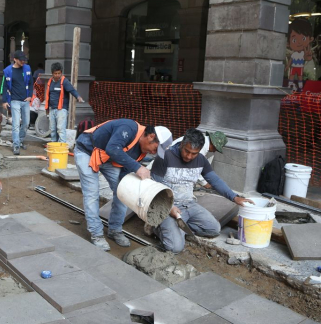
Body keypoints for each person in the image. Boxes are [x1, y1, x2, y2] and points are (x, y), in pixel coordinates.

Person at [149, 129, 254, 253]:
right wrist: (169, 207)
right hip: (166, 206)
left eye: (194, 153)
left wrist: (234, 197)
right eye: (187, 151)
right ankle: (156, 227)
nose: (189, 156)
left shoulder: (201, 160)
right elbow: (154, 185)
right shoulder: (164, 157)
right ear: (182, 144)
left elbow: (215, 180)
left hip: (189, 204)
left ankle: (178, 229)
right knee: (175, 248)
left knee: (214, 229)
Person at [74, 119, 172, 251]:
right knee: (92, 194)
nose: (153, 153)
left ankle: (115, 229)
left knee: (123, 192)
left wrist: (125, 185)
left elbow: (124, 170)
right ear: (151, 136)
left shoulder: (141, 151)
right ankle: (96, 234)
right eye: (155, 148)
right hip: (87, 150)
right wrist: (138, 168)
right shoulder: (129, 128)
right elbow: (112, 148)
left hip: (109, 158)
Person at [1, 50, 33, 155]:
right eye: (21, 60)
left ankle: (20, 140)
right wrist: (4, 101)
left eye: (24, 59)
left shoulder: (27, 68)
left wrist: (30, 96)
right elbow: (4, 86)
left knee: (26, 123)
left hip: (25, 100)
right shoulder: (8, 71)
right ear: (15, 59)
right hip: (14, 100)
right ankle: (16, 145)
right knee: (15, 124)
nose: (23, 61)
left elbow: (31, 83)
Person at [45, 62, 84, 143]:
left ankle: (62, 147)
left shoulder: (65, 82)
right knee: (52, 129)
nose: (57, 75)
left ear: (61, 73)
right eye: (55, 73)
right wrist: (47, 109)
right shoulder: (50, 82)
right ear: (52, 73)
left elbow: (72, 90)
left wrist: (78, 97)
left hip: (61, 110)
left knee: (60, 129)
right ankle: (54, 146)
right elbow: (48, 95)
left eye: (59, 73)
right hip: (52, 109)